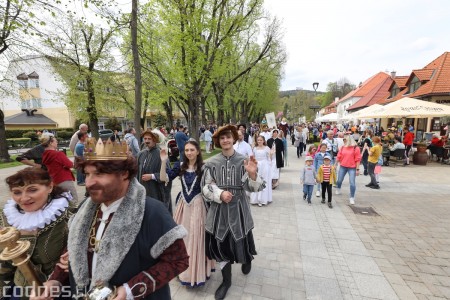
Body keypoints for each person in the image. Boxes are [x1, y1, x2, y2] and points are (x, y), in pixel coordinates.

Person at [34, 139, 189, 300]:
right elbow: (73, 250)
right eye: (87, 174)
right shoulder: (84, 210)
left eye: (99, 174)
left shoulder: (152, 212)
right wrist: (55, 281)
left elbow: (178, 260)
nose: (89, 182)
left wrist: (130, 290)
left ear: (124, 174)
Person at [201, 125, 265, 300]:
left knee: (242, 240)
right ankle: (226, 281)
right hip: (219, 211)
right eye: (222, 138)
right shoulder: (212, 163)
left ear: (234, 139)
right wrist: (219, 193)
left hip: (239, 211)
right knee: (221, 246)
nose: (225, 140)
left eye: (228, 137)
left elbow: (254, 188)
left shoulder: (243, 160)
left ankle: (247, 259)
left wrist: (252, 175)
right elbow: (205, 187)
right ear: (218, 141)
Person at [1, 167, 75, 298]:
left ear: (50, 187)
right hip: (21, 290)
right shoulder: (6, 219)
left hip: (61, 288)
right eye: (17, 192)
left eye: (32, 190)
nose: (24, 198)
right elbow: (4, 263)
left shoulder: (71, 216)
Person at [159, 140, 215, 287]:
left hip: (198, 206)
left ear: (198, 151)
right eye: (186, 150)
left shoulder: (204, 168)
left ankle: (197, 272)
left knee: (197, 238)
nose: (189, 153)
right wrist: (164, 162)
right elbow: (163, 178)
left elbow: (211, 187)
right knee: (182, 239)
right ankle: (183, 271)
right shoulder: (180, 166)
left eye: (192, 150)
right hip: (183, 207)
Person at [137, 129, 172, 213]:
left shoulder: (161, 154)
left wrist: (152, 176)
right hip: (144, 191)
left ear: (155, 140)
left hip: (156, 192)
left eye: (149, 139)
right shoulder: (141, 154)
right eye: (145, 139)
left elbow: (167, 175)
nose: (147, 141)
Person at [41, 134, 78, 203]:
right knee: (73, 200)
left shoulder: (45, 155)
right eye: (55, 141)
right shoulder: (58, 154)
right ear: (51, 143)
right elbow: (70, 164)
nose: (57, 143)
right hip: (64, 179)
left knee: (61, 201)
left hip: (55, 180)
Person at [335, 136, 361, 205]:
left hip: (352, 167)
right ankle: (338, 187)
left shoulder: (356, 148)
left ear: (349, 140)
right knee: (339, 180)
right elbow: (338, 156)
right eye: (343, 140)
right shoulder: (343, 147)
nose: (344, 141)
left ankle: (352, 197)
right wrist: (335, 164)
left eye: (345, 140)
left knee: (352, 183)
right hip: (343, 166)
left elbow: (358, 159)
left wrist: (357, 169)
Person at [250, 135, 273, 206]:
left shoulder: (266, 148)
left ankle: (263, 199)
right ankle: (256, 199)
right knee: (256, 181)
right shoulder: (254, 149)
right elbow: (253, 157)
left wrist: (268, 166)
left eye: (261, 140)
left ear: (263, 141)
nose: (259, 141)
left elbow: (269, 158)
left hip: (265, 166)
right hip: (257, 165)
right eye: (258, 140)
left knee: (263, 181)